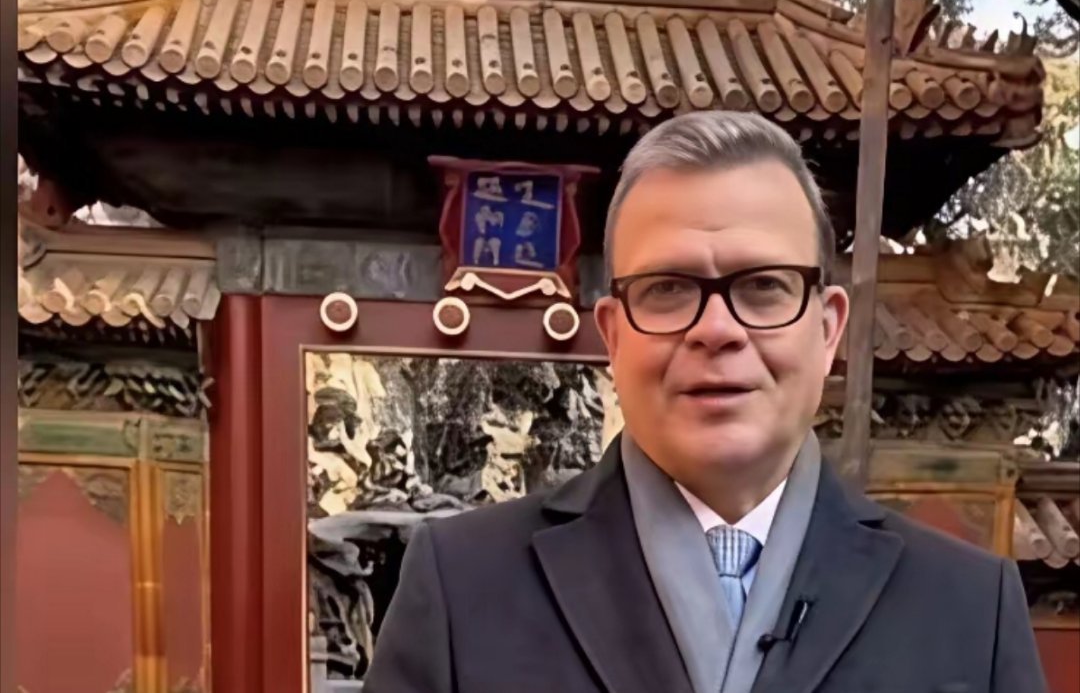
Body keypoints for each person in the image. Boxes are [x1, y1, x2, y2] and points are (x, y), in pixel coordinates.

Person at [364, 111, 1048, 693]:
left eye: (764, 286)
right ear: (613, 335)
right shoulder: (461, 587)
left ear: (828, 328)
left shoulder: (969, 609)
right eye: (667, 288)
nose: (716, 329)